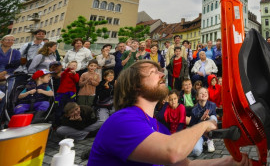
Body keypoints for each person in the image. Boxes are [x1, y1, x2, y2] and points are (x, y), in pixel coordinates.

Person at [88, 60, 248, 165]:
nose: (162, 74)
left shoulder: (158, 127)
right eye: (153, 72)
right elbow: (172, 151)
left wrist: (229, 162)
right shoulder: (121, 120)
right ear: (135, 86)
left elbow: (187, 164)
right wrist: (204, 125)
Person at [190, 87, 218, 154]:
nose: (204, 94)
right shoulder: (194, 110)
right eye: (201, 93)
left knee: (213, 117)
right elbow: (192, 126)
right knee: (196, 152)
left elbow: (215, 120)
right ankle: (202, 143)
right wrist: (201, 120)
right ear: (197, 97)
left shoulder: (213, 105)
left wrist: (208, 118)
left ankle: (209, 140)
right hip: (199, 134)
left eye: (205, 92)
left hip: (209, 132)